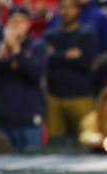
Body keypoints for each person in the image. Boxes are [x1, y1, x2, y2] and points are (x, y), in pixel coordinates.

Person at [0, 6, 47, 152]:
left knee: (31, 168)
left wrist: (16, 51)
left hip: (29, 120)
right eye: (12, 21)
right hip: (1, 121)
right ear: (6, 24)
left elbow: (36, 74)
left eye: (21, 21)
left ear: (29, 24)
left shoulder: (37, 46)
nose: (16, 24)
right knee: (1, 167)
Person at [44, 0, 98, 140]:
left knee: (85, 139)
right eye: (63, 7)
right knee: (55, 143)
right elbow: (45, 60)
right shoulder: (50, 34)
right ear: (58, 10)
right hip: (54, 97)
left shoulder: (87, 34)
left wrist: (56, 55)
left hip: (81, 96)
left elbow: (86, 62)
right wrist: (68, 55)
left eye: (70, 7)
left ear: (78, 10)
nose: (67, 11)